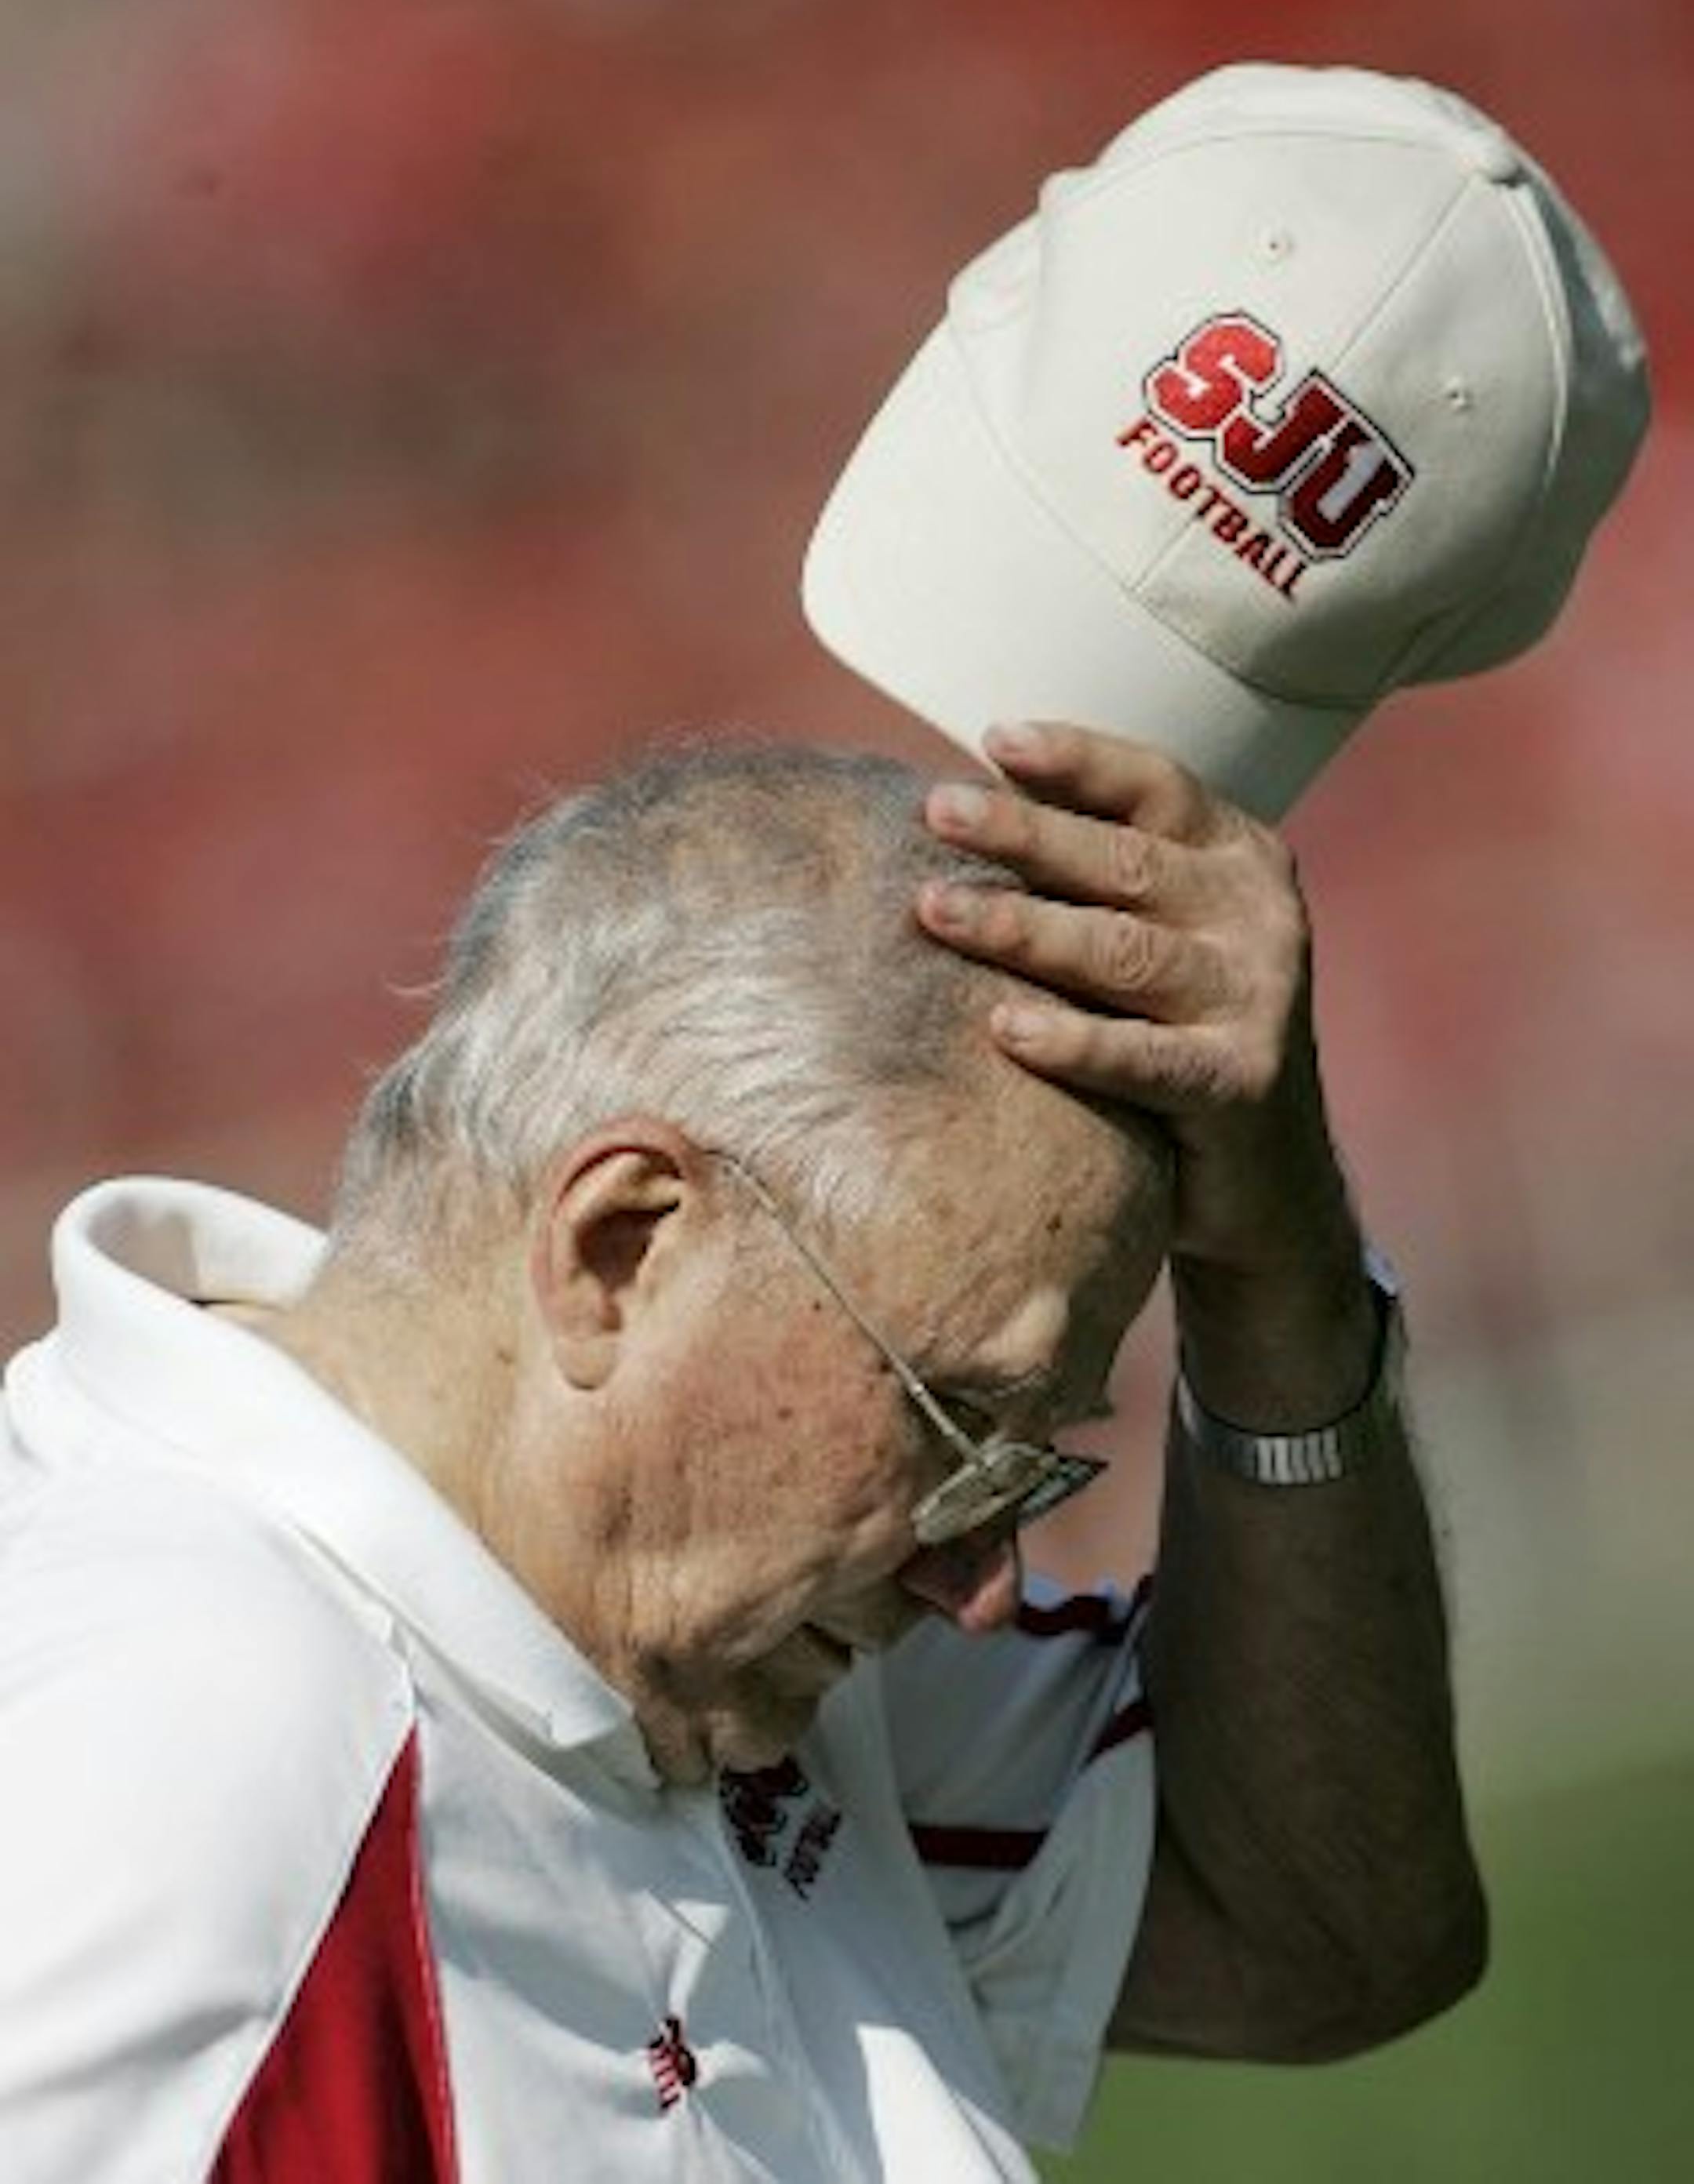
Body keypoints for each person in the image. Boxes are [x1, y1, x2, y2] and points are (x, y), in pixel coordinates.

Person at [3, 729, 1479, 2183]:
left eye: (1025, 1465)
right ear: (620, 1248)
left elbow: (1324, 1935)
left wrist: (1282, 1277)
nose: (978, 1584)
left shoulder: (711, 1639)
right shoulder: (198, 1770)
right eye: (958, 1420)